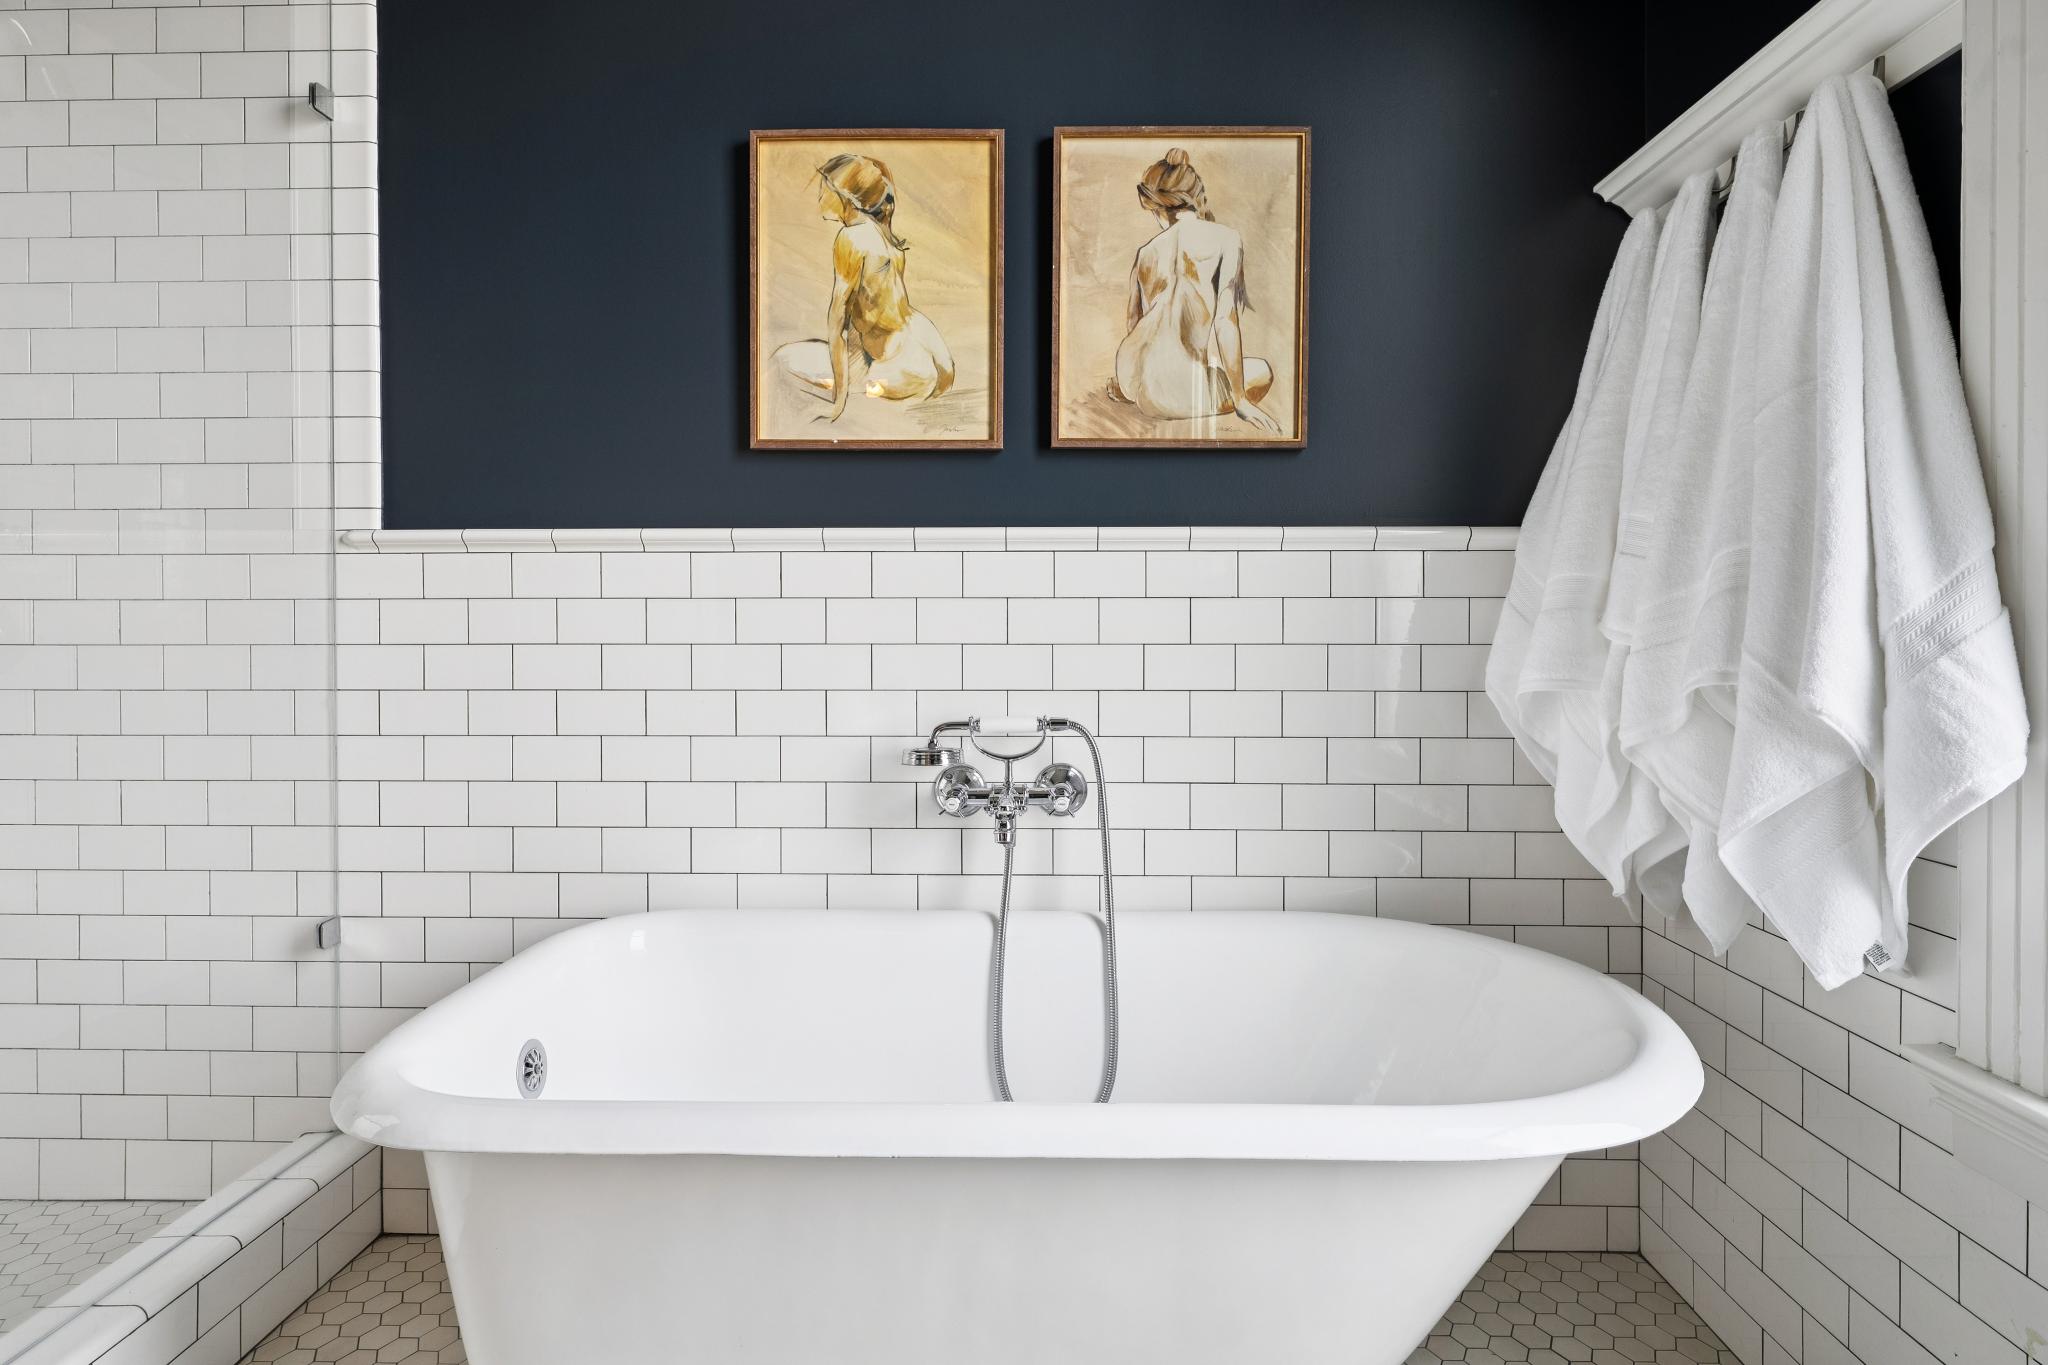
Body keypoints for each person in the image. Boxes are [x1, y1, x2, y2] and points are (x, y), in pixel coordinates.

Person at [773, 153, 954, 421]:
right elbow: (872, 316)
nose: (820, 196)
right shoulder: (884, 237)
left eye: (825, 188)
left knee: (782, 358)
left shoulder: (851, 238)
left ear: (847, 197)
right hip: (927, 354)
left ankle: (855, 395)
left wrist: (838, 403)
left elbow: (838, 324)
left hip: (901, 370)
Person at [1109, 147, 1278, 433]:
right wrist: (1240, 401)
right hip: (1179, 396)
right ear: (1197, 199)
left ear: (1159, 207)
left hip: (1139, 386)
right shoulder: (1226, 239)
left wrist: (1128, 387)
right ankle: (1223, 393)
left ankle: (1132, 391)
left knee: (1181, 366)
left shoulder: (1146, 252)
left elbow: (1133, 324)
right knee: (1262, 370)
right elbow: (1225, 323)